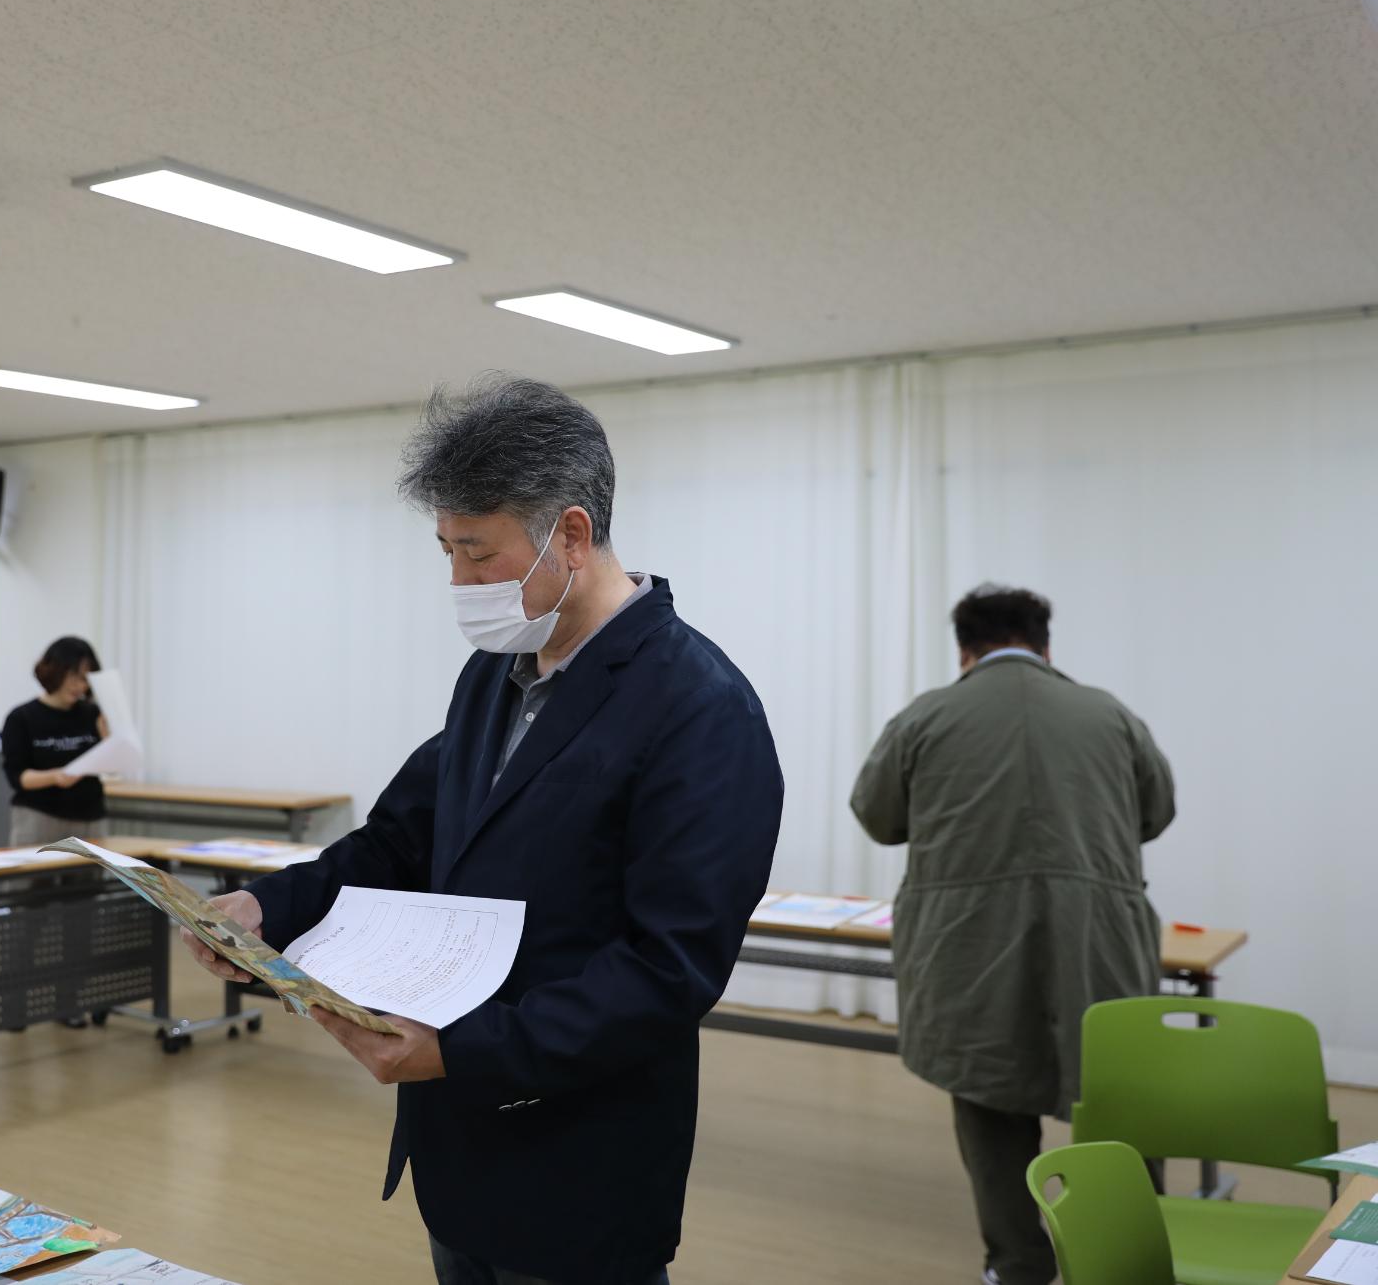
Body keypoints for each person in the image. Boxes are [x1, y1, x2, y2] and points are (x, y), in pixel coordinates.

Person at [180, 373, 784, 1285]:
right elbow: (400, 843)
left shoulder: (698, 706)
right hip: (458, 1148)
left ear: (570, 535)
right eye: (446, 551)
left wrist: (460, 1051)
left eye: (477, 552)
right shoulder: (496, 674)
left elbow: (669, 968)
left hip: (581, 1160)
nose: (459, 582)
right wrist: (269, 908)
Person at [850, 584, 1176, 1285]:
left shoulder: (926, 717)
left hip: (969, 942)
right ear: (1045, 646)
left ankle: (1018, 1263)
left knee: (989, 1098)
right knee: (1117, 1096)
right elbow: (1155, 812)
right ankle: (1127, 1256)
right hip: (1099, 938)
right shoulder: (1110, 715)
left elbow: (877, 816)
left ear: (964, 652)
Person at [1, 636, 111, 847]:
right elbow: (18, 777)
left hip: (90, 818)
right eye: (73, 676)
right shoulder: (22, 717)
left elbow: (109, 767)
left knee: (92, 871)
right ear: (55, 671)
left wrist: (109, 738)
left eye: (85, 679)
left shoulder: (93, 714)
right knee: (35, 869)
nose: (79, 686)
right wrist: (55, 777)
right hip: (40, 817)